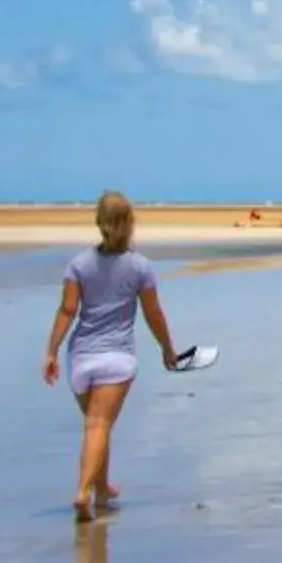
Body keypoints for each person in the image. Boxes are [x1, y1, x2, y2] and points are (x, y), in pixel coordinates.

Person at [42, 190, 180, 524]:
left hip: (81, 359)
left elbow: (67, 311)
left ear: (99, 223)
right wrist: (167, 348)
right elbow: (153, 313)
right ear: (130, 223)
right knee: (99, 425)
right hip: (117, 359)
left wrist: (51, 352)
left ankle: (102, 489)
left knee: (96, 426)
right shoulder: (140, 267)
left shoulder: (78, 265)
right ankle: (81, 492)